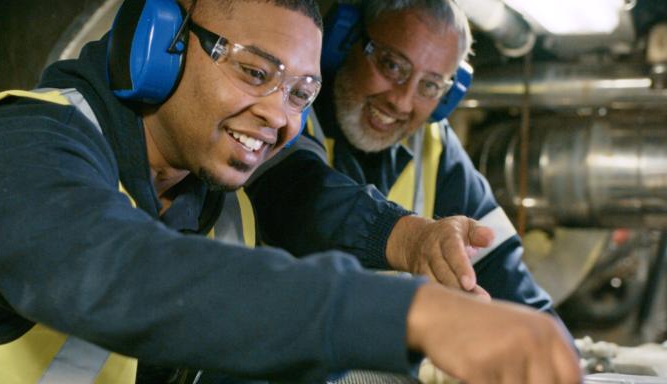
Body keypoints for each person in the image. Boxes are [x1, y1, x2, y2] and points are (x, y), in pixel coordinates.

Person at [0, 0, 580, 383]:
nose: (280, 115)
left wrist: (413, 238)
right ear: (159, 41)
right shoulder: (23, 149)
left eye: (301, 90)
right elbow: (127, 276)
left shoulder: (218, 189)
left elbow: (308, 193)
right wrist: (416, 316)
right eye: (255, 72)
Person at [230, 0, 555, 312]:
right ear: (345, 40)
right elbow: (301, 202)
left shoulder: (435, 146)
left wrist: (551, 345)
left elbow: (506, 275)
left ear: (447, 97)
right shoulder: (287, 112)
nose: (401, 101)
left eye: (429, 86)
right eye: (392, 65)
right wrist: (410, 239)